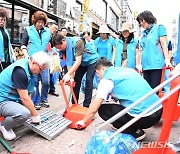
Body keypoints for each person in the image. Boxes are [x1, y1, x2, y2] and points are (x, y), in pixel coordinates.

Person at [75, 58, 162, 141]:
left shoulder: (107, 80)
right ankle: (131, 125)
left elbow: (94, 108)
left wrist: (83, 121)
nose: (98, 76)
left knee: (103, 109)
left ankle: (133, 132)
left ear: (102, 69)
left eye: (98, 73)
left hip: (145, 118)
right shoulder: (128, 70)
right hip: (158, 110)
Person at [0, 51, 51, 141]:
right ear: (34, 62)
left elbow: (28, 93)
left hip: (11, 98)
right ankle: (4, 126)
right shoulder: (20, 71)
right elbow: (24, 98)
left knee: (33, 91)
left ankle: (16, 115)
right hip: (2, 99)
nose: (40, 72)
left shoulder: (28, 67)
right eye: (40, 69)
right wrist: (35, 114)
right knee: (24, 113)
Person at [52, 32, 98, 107]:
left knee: (88, 81)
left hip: (91, 61)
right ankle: (74, 103)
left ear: (63, 40)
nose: (60, 49)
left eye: (60, 47)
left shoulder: (78, 42)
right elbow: (69, 63)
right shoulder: (65, 48)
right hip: (82, 63)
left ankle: (86, 105)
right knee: (76, 81)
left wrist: (68, 74)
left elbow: (78, 61)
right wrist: (71, 78)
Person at [21, 11, 51, 110]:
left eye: (42, 22)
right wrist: (26, 55)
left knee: (46, 81)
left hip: (45, 60)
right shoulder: (28, 30)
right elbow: (23, 44)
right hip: (33, 61)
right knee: (35, 82)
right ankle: (36, 101)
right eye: (39, 21)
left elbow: (51, 44)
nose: (40, 24)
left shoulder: (48, 31)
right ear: (35, 21)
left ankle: (44, 98)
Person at [136, 10, 171, 90]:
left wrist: (167, 59)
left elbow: (164, 44)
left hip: (156, 65)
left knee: (155, 90)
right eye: (140, 22)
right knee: (147, 90)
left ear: (148, 18)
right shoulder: (143, 34)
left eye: (142, 21)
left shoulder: (159, 28)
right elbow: (140, 50)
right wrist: (139, 64)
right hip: (145, 66)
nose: (141, 24)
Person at [0, 7, 15, 73]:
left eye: (4, 20)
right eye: (1, 20)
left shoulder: (5, 30)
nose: (2, 22)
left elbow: (8, 44)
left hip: (6, 56)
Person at [47, 22, 59, 97]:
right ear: (49, 26)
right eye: (54, 28)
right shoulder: (45, 35)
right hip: (44, 57)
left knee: (51, 75)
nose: (55, 30)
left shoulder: (53, 36)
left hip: (51, 58)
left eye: (56, 29)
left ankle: (52, 90)